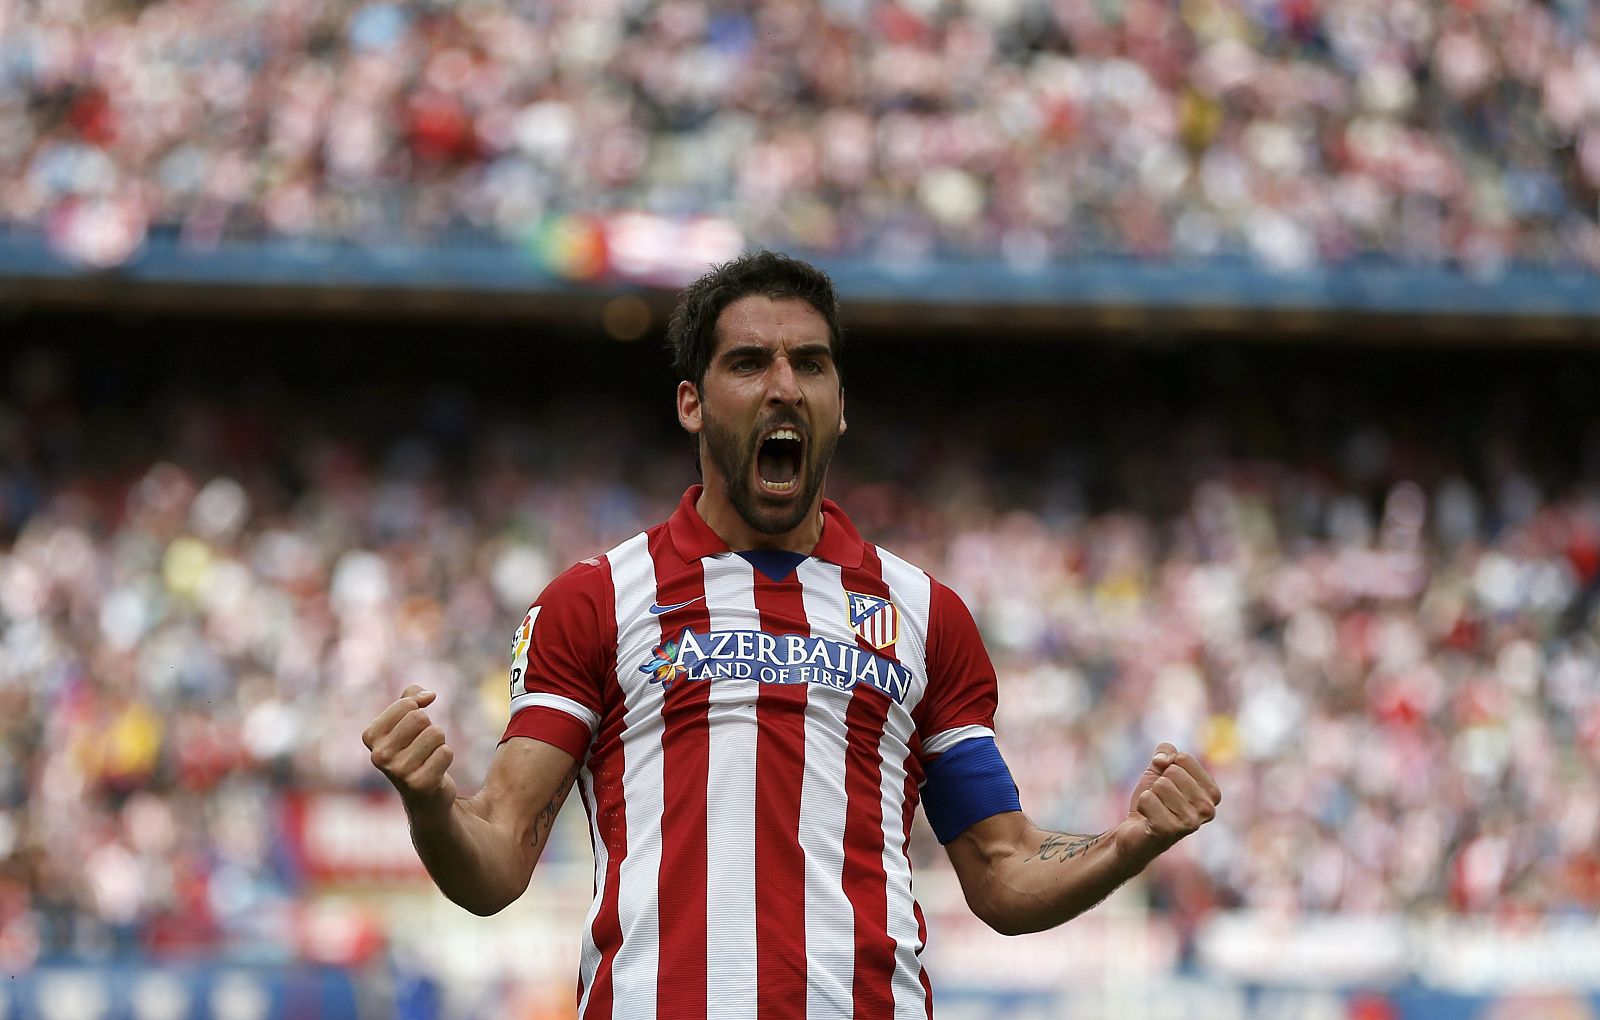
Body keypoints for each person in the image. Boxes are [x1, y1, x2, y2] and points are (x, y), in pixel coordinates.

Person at [362, 251, 1221, 1018]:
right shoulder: (598, 600)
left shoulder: (925, 613)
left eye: (810, 364)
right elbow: (497, 860)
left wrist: (1128, 843)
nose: (783, 386)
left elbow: (1002, 868)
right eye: (749, 363)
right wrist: (430, 802)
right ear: (692, 405)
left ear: (840, 405)